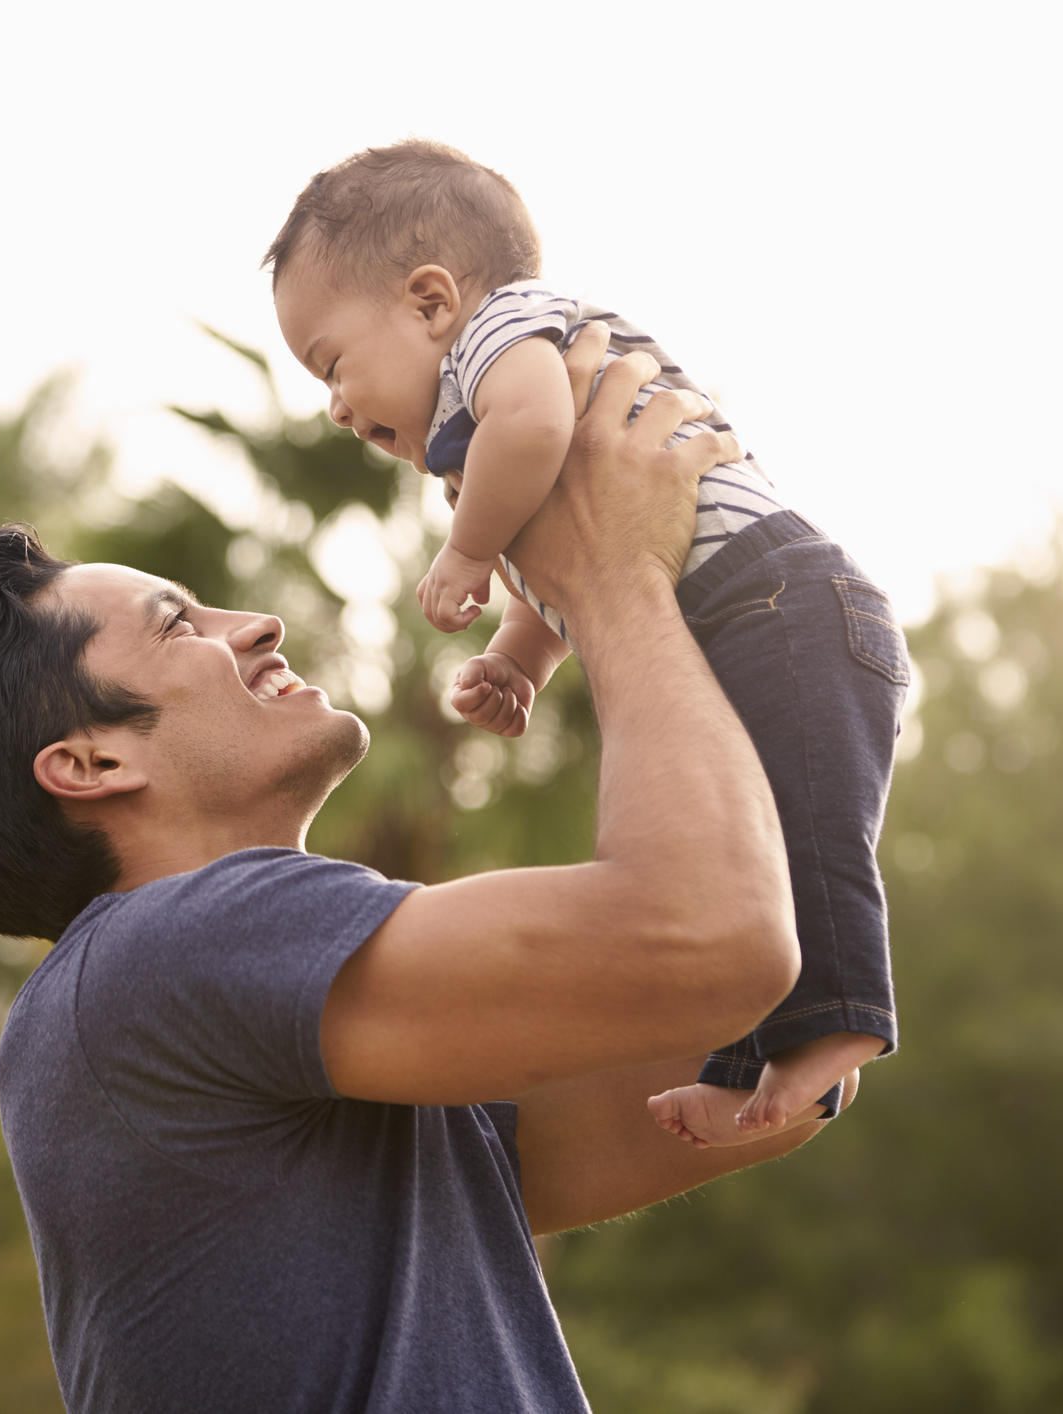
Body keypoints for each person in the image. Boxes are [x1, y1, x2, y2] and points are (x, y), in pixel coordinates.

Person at [0, 329, 860, 1412]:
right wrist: (611, 575)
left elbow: (767, 1059)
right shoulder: (167, 952)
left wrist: (739, 597)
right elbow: (714, 940)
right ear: (93, 762)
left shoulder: (290, 1045)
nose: (256, 624)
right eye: (178, 623)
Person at [267, 140, 908, 1145]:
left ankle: (840, 1028)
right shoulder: (475, 420)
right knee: (742, 852)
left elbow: (536, 428)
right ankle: (752, 1063)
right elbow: (562, 563)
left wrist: (467, 553)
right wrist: (521, 657)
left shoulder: (503, 336)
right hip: (736, 613)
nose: (336, 405)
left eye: (332, 363)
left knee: (805, 829)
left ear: (431, 301)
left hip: (780, 599)